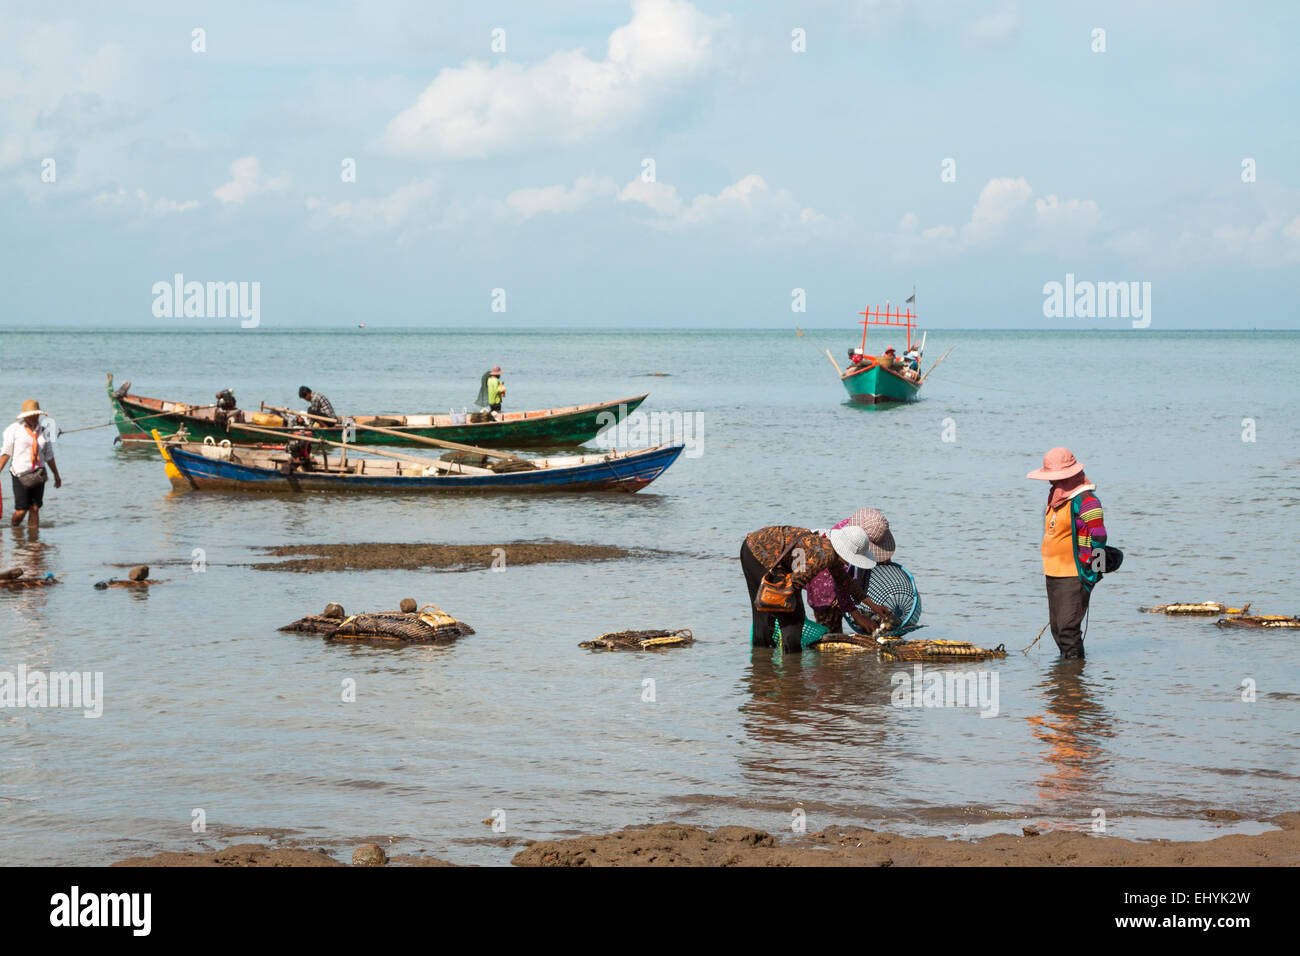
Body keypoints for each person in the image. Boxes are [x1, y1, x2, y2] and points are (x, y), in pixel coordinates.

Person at [741, 522, 895, 653]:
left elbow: (845, 581)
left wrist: (874, 607)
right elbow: (792, 586)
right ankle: (790, 665)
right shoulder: (824, 555)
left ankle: (761, 660)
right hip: (759, 555)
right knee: (791, 618)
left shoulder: (830, 549)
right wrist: (791, 611)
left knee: (767, 611)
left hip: (753, 548)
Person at [1027, 447, 1107, 660]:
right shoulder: (1055, 497)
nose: (1052, 482)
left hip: (1074, 573)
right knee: (1057, 628)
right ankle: (1066, 678)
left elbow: (1099, 537)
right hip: (1053, 572)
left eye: (1056, 478)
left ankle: (1073, 681)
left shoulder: (1087, 501)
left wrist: (1096, 570)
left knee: (1068, 629)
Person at [805, 508, 919, 633]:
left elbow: (849, 584)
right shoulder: (844, 551)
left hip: (836, 579)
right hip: (823, 586)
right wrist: (858, 616)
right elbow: (840, 583)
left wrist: (883, 557)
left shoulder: (867, 526)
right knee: (829, 631)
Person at [0, 400, 63, 529]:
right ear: (24, 416)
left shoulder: (44, 431)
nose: (33, 417)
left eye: (36, 414)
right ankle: (15, 529)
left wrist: (56, 475)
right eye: (31, 415)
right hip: (20, 474)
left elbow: (49, 456)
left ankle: (34, 543)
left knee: (35, 508)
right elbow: (6, 454)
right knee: (21, 510)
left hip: (38, 473)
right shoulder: (13, 430)